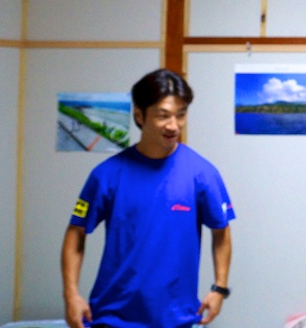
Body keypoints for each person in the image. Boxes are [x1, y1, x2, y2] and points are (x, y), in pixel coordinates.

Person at [61, 68, 236, 328]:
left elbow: (221, 231)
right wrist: (71, 295)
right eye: (163, 115)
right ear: (139, 115)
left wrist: (219, 288)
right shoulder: (107, 175)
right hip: (111, 317)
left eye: (181, 114)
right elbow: (76, 232)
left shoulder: (202, 173)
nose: (174, 125)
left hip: (176, 318)